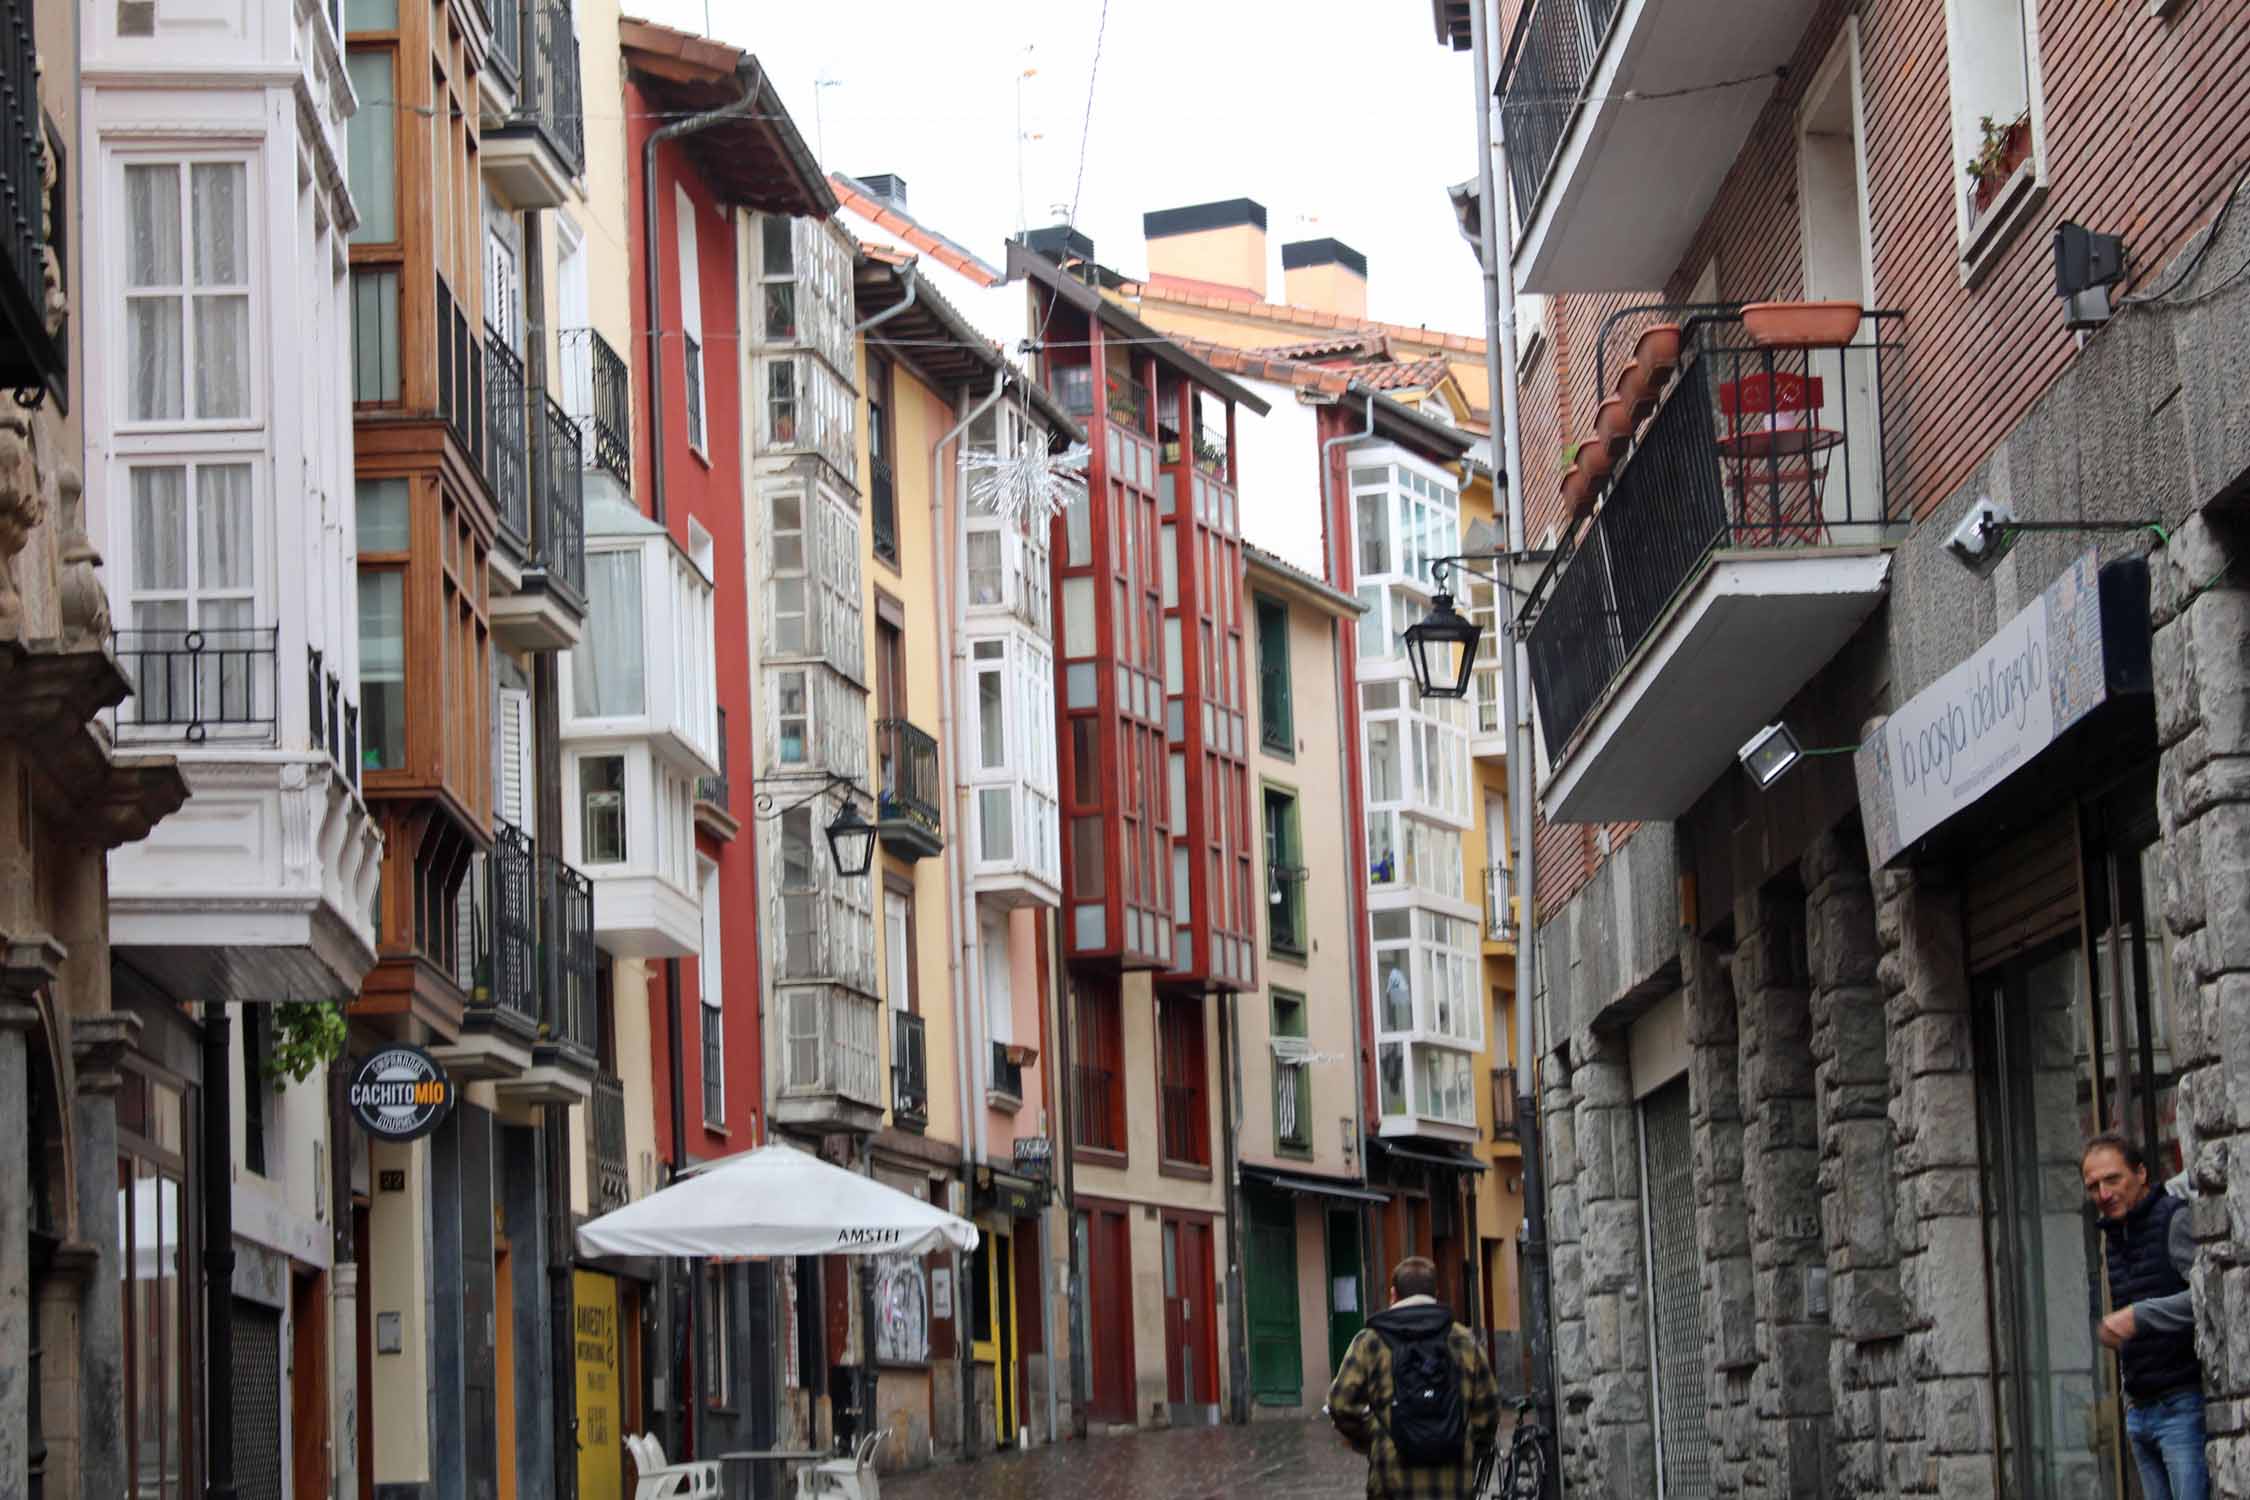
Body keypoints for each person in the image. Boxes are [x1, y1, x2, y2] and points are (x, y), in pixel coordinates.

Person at [2084, 1132, 2207, 1500]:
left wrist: (2141, 1316)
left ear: (2140, 1174)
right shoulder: (2114, 1236)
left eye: (2113, 1179)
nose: (2103, 1194)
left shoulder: (2174, 1220)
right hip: (2140, 1411)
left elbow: (2209, 1299)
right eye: (2093, 1186)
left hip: (2181, 1405)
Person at [1326, 1256, 1500, 1499]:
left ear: (1393, 1294)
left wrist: (1376, 1435)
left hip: (1391, 1483)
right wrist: (1465, 1439)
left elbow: (1340, 1404)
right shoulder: (1464, 1340)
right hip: (1454, 1484)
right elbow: (1488, 1412)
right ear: (1436, 1294)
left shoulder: (1370, 1341)